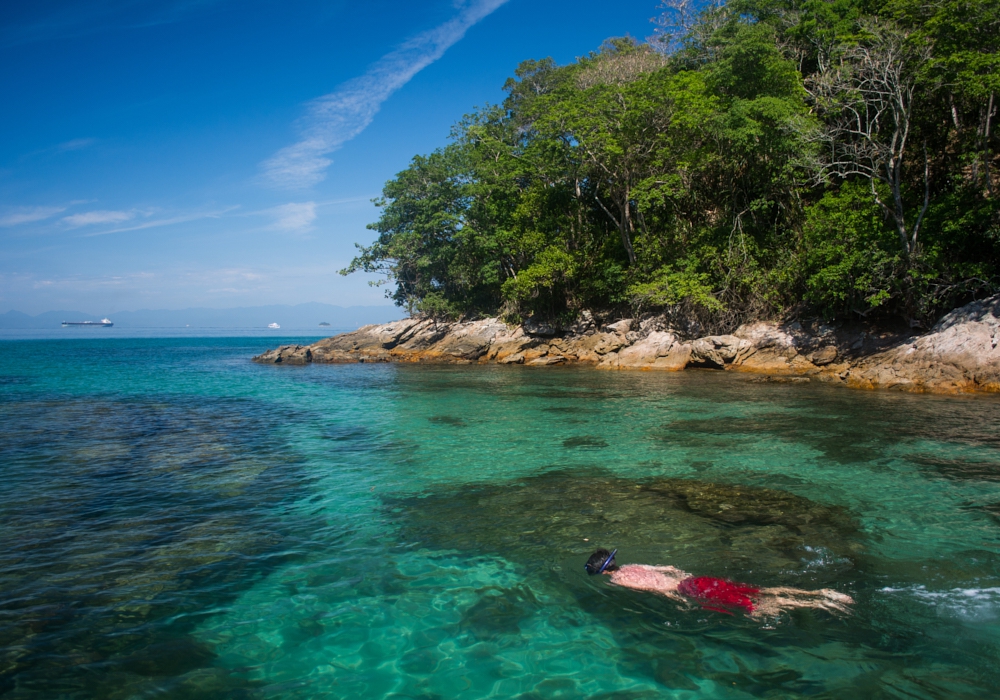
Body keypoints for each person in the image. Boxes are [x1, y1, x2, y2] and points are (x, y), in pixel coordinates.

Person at [585, 548, 852, 617]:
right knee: (759, 590)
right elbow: (668, 568)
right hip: (695, 579)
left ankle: (821, 605)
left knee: (755, 606)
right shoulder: (633, 565)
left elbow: (657, 590)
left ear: (603, 573)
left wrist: (680, 602)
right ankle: (819, 593)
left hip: (687, 589)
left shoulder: (620, 580)